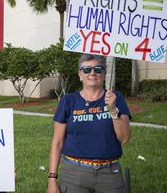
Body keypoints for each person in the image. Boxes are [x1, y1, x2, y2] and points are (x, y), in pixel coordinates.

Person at [47, 54, 131, 193]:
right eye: (86, 69)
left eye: (98, 69)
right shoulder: (68, 101)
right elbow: (57, 142)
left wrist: (113, 109)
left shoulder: (116, 98)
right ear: (80, 74)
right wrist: (52, 178)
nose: (92, 73)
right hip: (74, 173)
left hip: (109, 173)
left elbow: (124, 138)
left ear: (104, 74)